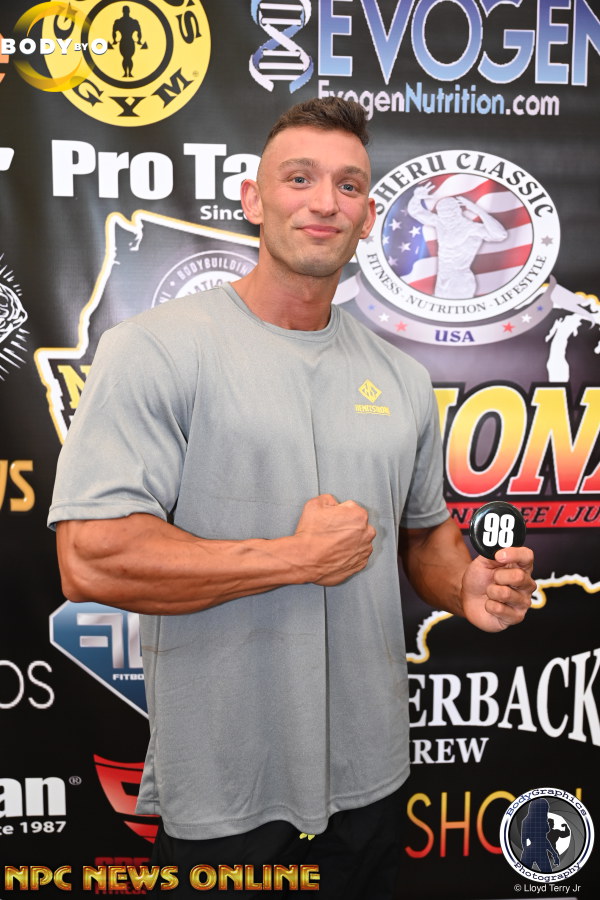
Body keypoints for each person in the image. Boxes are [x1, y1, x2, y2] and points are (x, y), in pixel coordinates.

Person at [49, 98, 535, 898]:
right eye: (299, 178)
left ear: (368, 217)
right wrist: (294, 559)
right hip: (226, 787)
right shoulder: (154, 349)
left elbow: (424, 536)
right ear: (253, 198)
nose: (324, 202)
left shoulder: (401, 377)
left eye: (348, 186)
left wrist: (466, 585)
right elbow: (91, 559)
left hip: (371, 779)